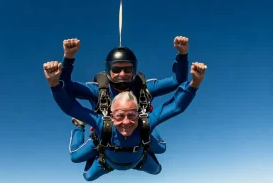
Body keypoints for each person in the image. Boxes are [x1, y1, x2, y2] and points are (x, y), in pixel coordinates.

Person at [44, 61, 207, 181]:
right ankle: (79, 128)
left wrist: (194, 84)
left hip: (139, 160)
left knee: (159, 162)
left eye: (132, 115)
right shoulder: (102, 123)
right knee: (85, 174)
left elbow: (176, 106)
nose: (126, 122)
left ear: (139, 113)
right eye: (120, 116)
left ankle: (147, 137)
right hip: (106, 161)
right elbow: (70, 107)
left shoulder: (145, 120)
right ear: (111, 114)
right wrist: (54, 84)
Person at [50, 36, 190, 159]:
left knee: (161, 149)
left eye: (127, 69)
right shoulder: (97, 90)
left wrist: (182, 54)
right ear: (108, 71)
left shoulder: (144, 89)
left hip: (137, 131)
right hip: (105, 134)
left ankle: (146, 133)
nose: (122, 74)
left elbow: (177, 81)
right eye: (116, 69)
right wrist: (68, 57)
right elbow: (66, 87)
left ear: (134, 70)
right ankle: (79, 126)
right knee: (76, 157)